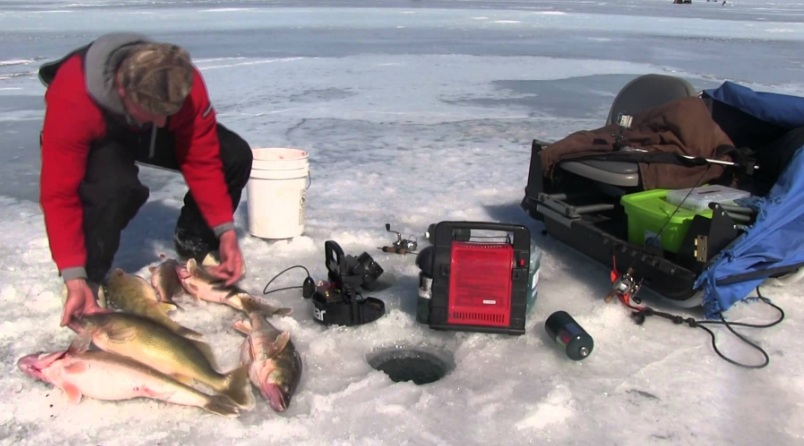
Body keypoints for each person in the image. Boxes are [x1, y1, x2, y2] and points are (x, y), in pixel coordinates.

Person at [38, 33, 253, 327]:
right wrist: (73, 274)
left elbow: (203, 159)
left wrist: (224, 230)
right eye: (158, 112)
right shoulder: (73, 99)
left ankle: (193, 238)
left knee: (233, 155)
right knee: (115, 188)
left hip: (145, 129)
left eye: (170, 112)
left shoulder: (183, 83)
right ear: (124, 92)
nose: (166, 123)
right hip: (102, 132)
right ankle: (87, 276)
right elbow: (60, 195)